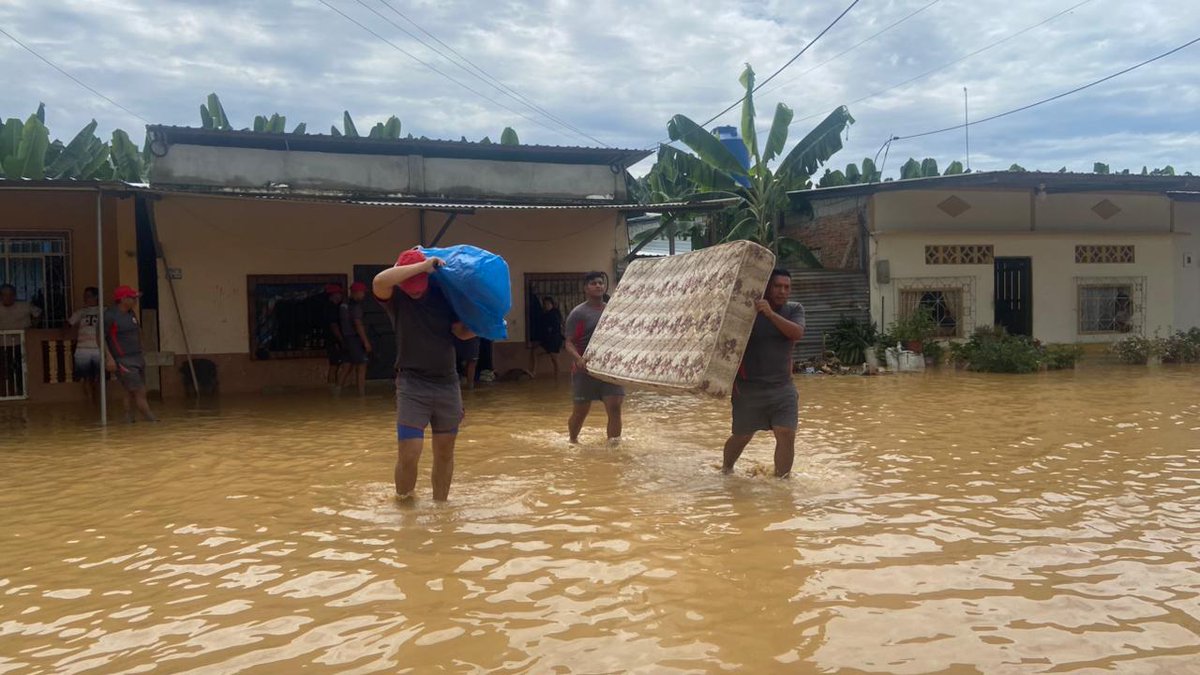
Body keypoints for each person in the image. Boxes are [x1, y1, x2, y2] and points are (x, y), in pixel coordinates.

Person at [373, 248, 475, 501]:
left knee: (444, 452)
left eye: (419, 284)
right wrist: (422, 266)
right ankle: (404, 505)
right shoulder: (396, 299)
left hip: (447, 383)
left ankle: (441, 507)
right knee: (409, 453)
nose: (415, 290)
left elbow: (461, 332)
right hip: (411, 383)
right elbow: (378, 281)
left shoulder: (444, 295)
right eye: (410, 285)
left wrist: (484, 325)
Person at [721, 268, 806, 478]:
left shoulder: (794, 310)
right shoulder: (747, 312)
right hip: (748, 389)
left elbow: (797, 333)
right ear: (767, 287)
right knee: (742, 436)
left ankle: (782, 482)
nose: (782, 291)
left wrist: (770, 314)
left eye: (787, 287)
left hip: (783, 387)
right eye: (778, 286)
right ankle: (726, 469)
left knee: (786, 433)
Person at [564, 271, 624, 445]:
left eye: (600, 283)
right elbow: (568, 342)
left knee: (614, 407)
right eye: (593, 283)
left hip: (610, 368)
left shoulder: (612, 311)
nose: (598, 286)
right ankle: (573, 441)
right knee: (581, 411)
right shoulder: (578, 313)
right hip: (584, 370)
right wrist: (578, 359)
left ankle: (613, 447)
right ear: (585, 288)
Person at [103, 285, 157, 423]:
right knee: (140, 391)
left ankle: (128, 417)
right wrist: (109, 358)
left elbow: (137, 330)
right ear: (122, 299)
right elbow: (100, 337)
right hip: (123, 359)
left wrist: (142, 347)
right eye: (132, 298)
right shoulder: (110, 315)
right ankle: (152, 421)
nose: (135, 300)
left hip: (137, 356)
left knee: (129, 389)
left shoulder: (131, 313)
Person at [0, 283, 41, 397]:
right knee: (4, 370)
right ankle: (6, 393)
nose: (7, 298)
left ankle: (22, 391)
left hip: (21, 344)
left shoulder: (24, 306)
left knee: (20, 369)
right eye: (4, 295)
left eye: (10, 295)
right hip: (2, 345)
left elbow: (38, 314)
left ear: (14, 295)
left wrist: (33, 328)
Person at [66, 287, 102, 403]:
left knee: (98, 377)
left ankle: (98, 400)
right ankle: (90, 400)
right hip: (83, 349)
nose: (86, 299)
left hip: (98, 349)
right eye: (85, 296)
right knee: (85, 378)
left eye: (89, 296)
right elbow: (68, 324)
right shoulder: (80, 312)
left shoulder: (104, 311)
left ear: (96, 297)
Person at [339, 281, 373, 397]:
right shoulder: (355, 306)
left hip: (346, 339)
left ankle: (337, 391)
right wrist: (366, 342)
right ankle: (362, 394)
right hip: (355, 339)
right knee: (362, 365)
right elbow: (358, 324)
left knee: (347, 366)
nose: (363, 295)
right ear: (356, 292)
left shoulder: (344, 305)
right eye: (362, 293)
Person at [531, 296, 564, 378]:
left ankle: (557, 375)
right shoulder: (546, 314)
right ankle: (533, 372)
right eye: (545, 304)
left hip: (554, 340)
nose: (546, 305)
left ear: (552, 304)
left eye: (548, 304)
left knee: (554, 358)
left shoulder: (554, 314)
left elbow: (556, 327)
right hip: (548, 341)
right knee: (535, 352)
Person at [323, 283, 346, 394]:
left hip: (333, 340)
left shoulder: (336, 307)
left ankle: (333, 387)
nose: (340, 296)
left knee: (336, 364)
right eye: (338, 294)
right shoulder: (331, 308)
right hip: (333, 340)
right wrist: (341, 339)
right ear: (333, 295)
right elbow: (334, 325)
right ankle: (332, 387)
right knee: (334, 364)